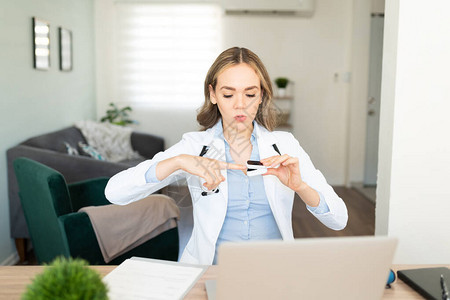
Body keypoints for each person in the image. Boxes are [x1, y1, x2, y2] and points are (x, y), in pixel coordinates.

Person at [105, 47, 348, 265]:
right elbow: (115, 193)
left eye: (250, 94)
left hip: (275, 273)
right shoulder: (194, 145)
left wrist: (300, 186)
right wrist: (178, 161)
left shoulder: (285, 145)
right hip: (210, 273)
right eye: (228, 94)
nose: (240, 105)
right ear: (213, 95)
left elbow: (339, 220)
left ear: (261, 95)